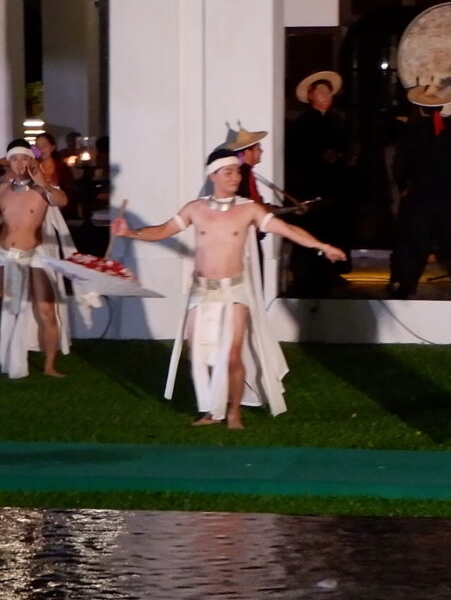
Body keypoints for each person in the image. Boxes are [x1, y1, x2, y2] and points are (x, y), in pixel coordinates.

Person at [112, 148, 347, 428]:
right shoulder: (195, 208)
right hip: (202, 291)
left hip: (234, 291)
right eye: (228, 172)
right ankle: (212, 411)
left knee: (233, 354)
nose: (235, 177)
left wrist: (322, 246)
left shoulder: (248, 209)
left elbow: (287, 230)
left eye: (237, 172)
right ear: (212, 175)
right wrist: (130, 232)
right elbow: (163, 231)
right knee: (199, 353)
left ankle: (234, 412)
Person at [389, 75, 451, 299]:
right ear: (440, 106)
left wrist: (403, 186)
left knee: (414, 246)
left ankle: (405, 287)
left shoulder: (410, 130)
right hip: (447, 197)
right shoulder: (450, 127)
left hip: (421, 198)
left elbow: (399, 164)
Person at [0, 141, 72, 378]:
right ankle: (7, 356)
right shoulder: (2, 189)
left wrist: (42, 182)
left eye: (24, 158)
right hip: (7, 257)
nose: (20, 163)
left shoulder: (43, 190)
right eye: (14, 159)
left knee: (46, 310)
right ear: (9, 162)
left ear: (31, 160)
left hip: (35, 256)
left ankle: (50, 365)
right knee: (9, 309)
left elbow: (62, 201)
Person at [286, 71, 351, 296]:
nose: (326, 97)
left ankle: (333, 271)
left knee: (334, 228)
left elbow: (349, 148)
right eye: (321, 92)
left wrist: (342, 156)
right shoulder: (302, 123)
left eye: (328, 93)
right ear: (310, 95)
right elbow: (297, 157)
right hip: (310, 186)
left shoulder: (339, 121)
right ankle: (306, 274)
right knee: (310, 229)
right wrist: (319, 159)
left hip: (335, 186)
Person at [224, 124, 267, 204]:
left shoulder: (245, 170)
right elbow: (246, 201)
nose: (261, 151)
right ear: (248, 152)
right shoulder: (242, 172)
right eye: (258, 148)